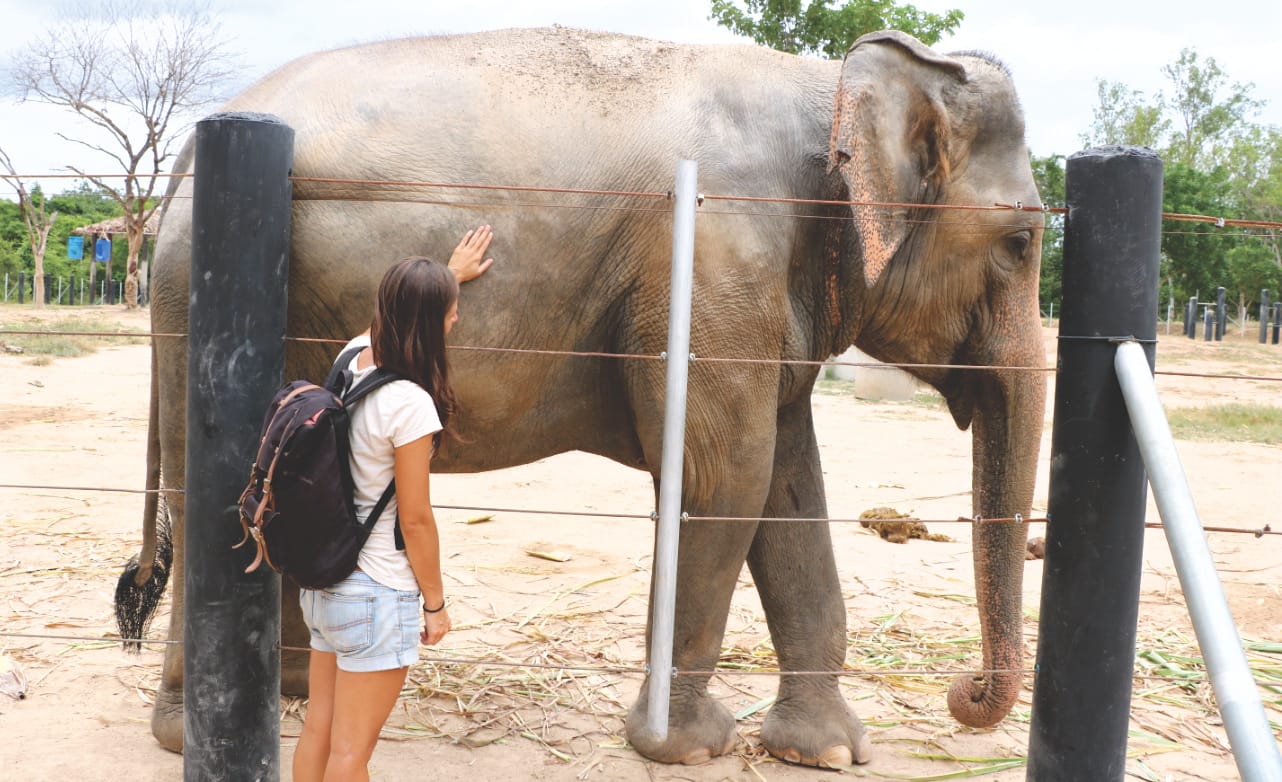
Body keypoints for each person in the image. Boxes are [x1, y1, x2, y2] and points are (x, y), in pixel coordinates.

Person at [293, 225, 494, 782]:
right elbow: (416, 519)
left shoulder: (351, 359)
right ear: (433, 323)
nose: (456, 319)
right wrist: (435, 603)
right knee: (352, 755)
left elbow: (387, 320)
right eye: (450, 312)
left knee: (319, 731)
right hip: (378, 592)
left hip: (326, 583)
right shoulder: (409, 404)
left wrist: (446, 277)